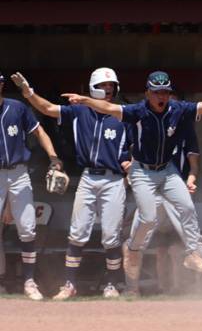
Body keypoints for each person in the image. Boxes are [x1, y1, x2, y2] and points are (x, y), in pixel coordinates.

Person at [61, 70, 202, 296]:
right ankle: (132, 251)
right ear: (147, 93)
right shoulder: (138, 111)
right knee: (148, 218)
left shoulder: (179, 111)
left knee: (188, 209)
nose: (161, 97)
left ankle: (194, 258)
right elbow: (110, 108)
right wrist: (84, 99)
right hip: (142, 171)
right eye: (156, 93)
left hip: (167, 170)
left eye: (165, 92)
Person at [11, 69, 130, 300]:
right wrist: (28, 92)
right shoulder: (79, 111)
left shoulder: (122, 114)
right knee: (77, 233)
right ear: (94, 86)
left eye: (111, 86)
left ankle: (113, 285)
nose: (108, 89)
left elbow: (136, 148)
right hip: (88, 177)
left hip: (114, 178)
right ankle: (70, 284)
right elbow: (46, 108)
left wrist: (131, 169)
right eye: (103, 85)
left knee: (111, 236)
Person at [135, 108, 202, 298]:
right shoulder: (150, 126)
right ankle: (131, 286)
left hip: (175, 190)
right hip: (153, 187)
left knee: (192, 240)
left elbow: (194, 165)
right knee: (138, 238)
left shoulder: (186, 131)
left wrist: (191, 179)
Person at [0, 72, 63, 300]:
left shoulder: (17, 108)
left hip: (18, 173)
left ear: (1, 85)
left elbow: (39, 131)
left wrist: (54, 157)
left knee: (27, 228)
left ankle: (28, 281)